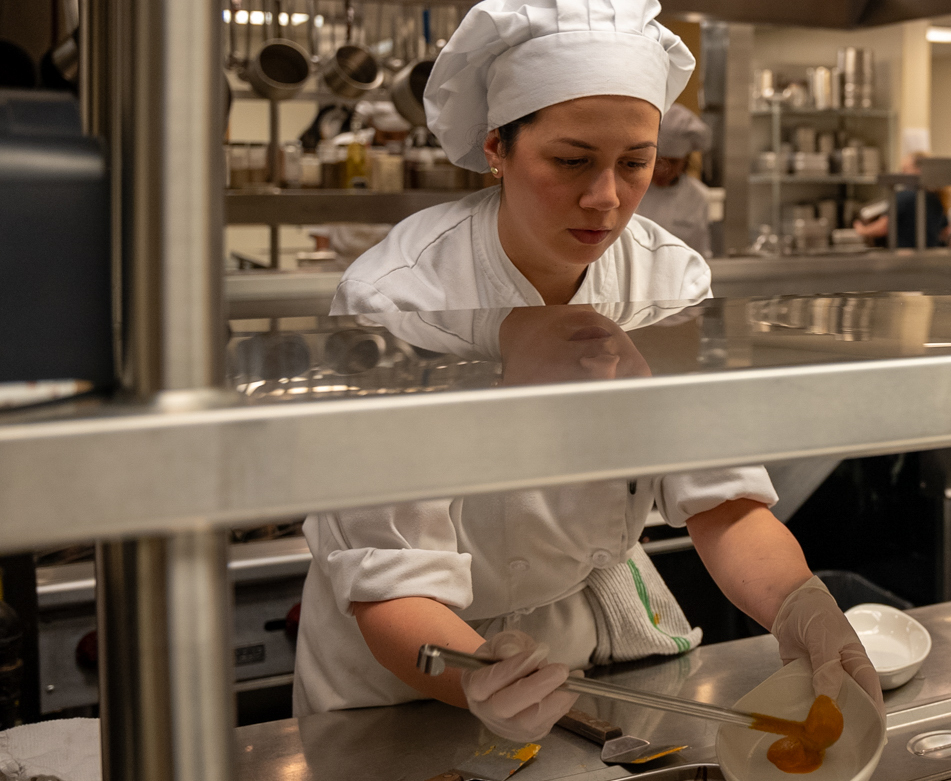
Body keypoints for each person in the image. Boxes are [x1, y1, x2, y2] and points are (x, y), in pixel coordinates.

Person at [301, 0, 880, 740]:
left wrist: (802, 605)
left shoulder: (664, 280)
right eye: (571, 161)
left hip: (567, 659)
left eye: (635, 163)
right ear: (496, 149)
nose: (607, 199)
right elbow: (387, 585)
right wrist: (478, 674)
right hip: (400, 676)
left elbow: (721, 500)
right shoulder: (401, 295)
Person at [637, 105, 716, 257]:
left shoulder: (698, 197)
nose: (662, 170)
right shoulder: (630, 189)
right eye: (657, 161)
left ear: (685, 161)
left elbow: (700, 253)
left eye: (673, 162)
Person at [853, 153, 951, 249]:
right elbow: (945, 232)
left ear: (918, 170)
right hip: (930, 257)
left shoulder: (904, 197)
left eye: (905, 169)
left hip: (905, 257)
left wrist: (863, 230)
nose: (902, 173)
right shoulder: (935, 198)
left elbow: (884, 227)